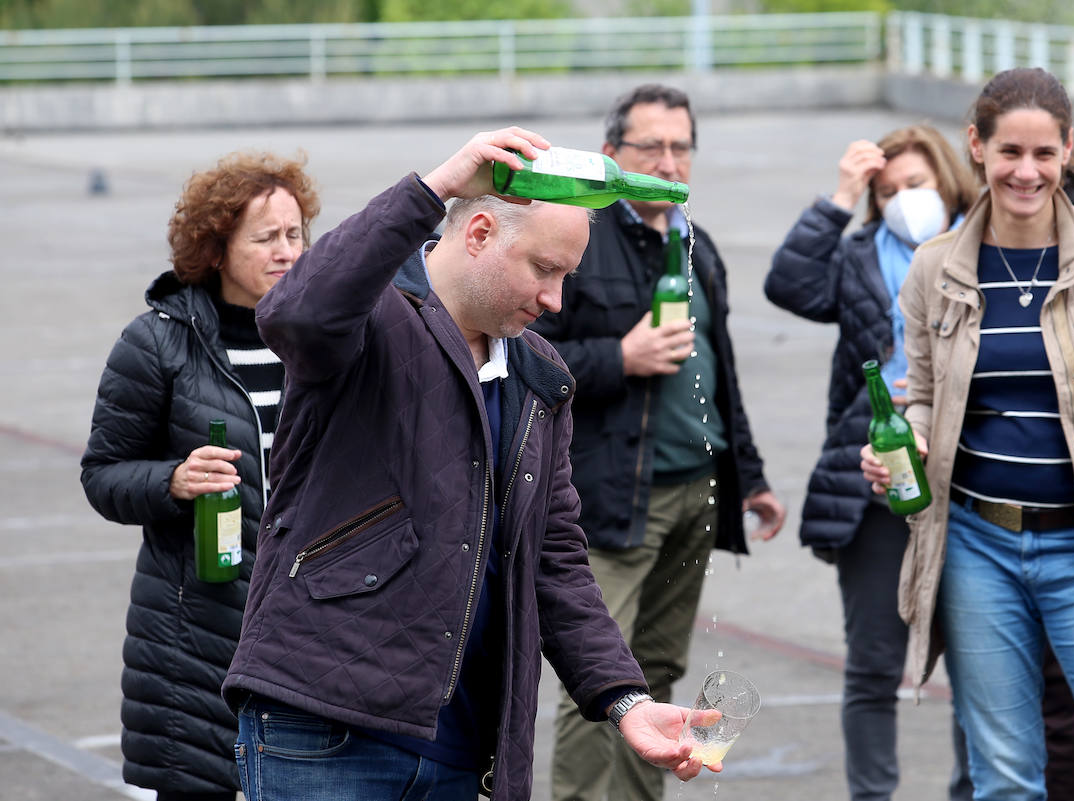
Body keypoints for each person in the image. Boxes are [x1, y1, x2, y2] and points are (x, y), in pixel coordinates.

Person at [222, 127, 718, 801]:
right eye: (544, 269)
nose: (555, 300)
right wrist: (435, 188)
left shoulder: (540, 374)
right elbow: (297, 314)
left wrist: (625, 697)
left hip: (463, 750)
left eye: (566, 276)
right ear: (478, 232)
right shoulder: (371, 320)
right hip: (325, 730)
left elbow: (556, 560)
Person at [860, 67, 1074, 801]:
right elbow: (916, 395)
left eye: (1044, 153)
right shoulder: (933, 268)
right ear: (975, 146)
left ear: (1069, 151)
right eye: (1009, 151)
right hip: (976, 546)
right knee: (1005, 777)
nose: (1026, 170)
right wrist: (903, 445)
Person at [539, 83, 786, 801]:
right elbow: (526, 352)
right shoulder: (577, 233)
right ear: (612, 154)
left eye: (681, 146)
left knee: (660, 669)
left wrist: (755, 476)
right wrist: (620, 358)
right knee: (601, 683)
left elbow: (721, 368)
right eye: (652, 146)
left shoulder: (695, 241)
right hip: (615, 494)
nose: (669, 160)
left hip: (694, 494)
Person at [80, 151, 320, 801]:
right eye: (266, 237)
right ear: (216, 248)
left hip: (311, 634)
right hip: (193, 644)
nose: (287, 251)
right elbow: (103, 475)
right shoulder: (158, 342)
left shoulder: (321, 340)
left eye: (295, 234)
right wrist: (172, 480)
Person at [763, 124, 977, 801]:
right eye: (887, 193)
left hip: (971, 475)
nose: (903, 201)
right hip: (876, 478)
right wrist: (841, 196)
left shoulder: (996, 243)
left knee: (982, 668)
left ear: (946, 180)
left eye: (915, 185)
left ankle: (978, 789)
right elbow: (788, 283)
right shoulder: (858, 255)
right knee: (874, 664)